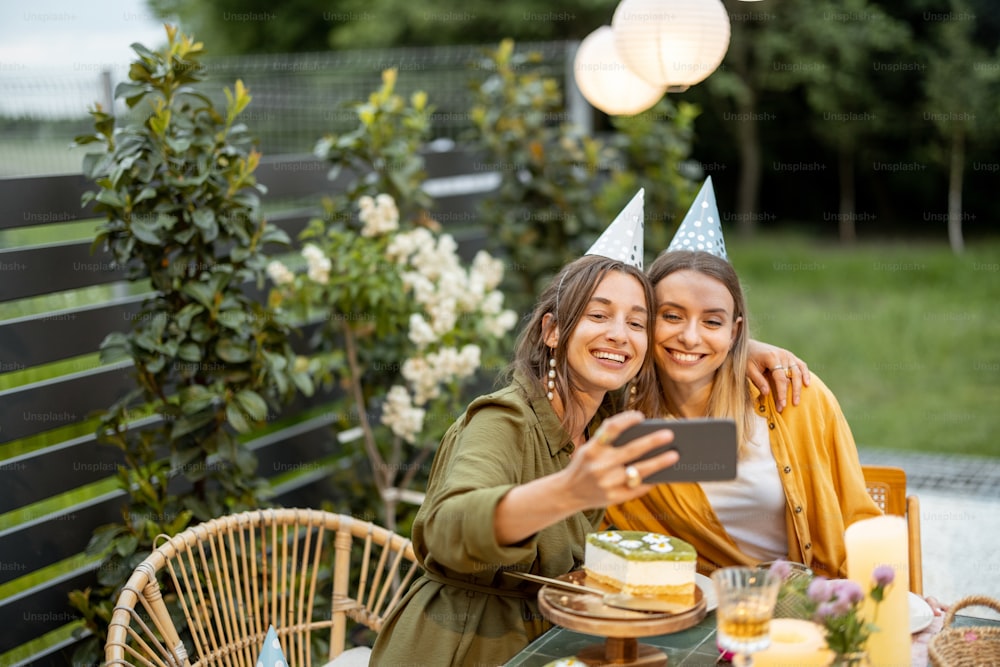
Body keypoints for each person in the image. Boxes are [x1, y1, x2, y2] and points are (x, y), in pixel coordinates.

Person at [606, 249, 882, 579]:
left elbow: (859, 517)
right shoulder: (627, 427)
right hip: (707, 615)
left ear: (735, 331)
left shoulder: (796, 396)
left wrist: (888, 595)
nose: (690, 338)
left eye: (712, 321)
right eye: (672, 316)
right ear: (646, 320)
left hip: (814, 606)